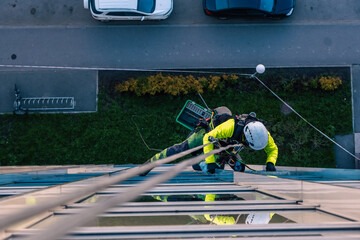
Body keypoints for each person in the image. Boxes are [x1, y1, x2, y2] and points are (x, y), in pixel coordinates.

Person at [139, 106, 278, 176]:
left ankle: (200, 165)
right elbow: (208, 138)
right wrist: (210, 162)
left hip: (227, 144)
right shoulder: (230, 127)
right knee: (180, 150)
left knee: (236, 168)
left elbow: (272, 149)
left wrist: (270, 162)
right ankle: (149, 164)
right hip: (207, 134)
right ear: (246, 137)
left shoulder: (262, 132)